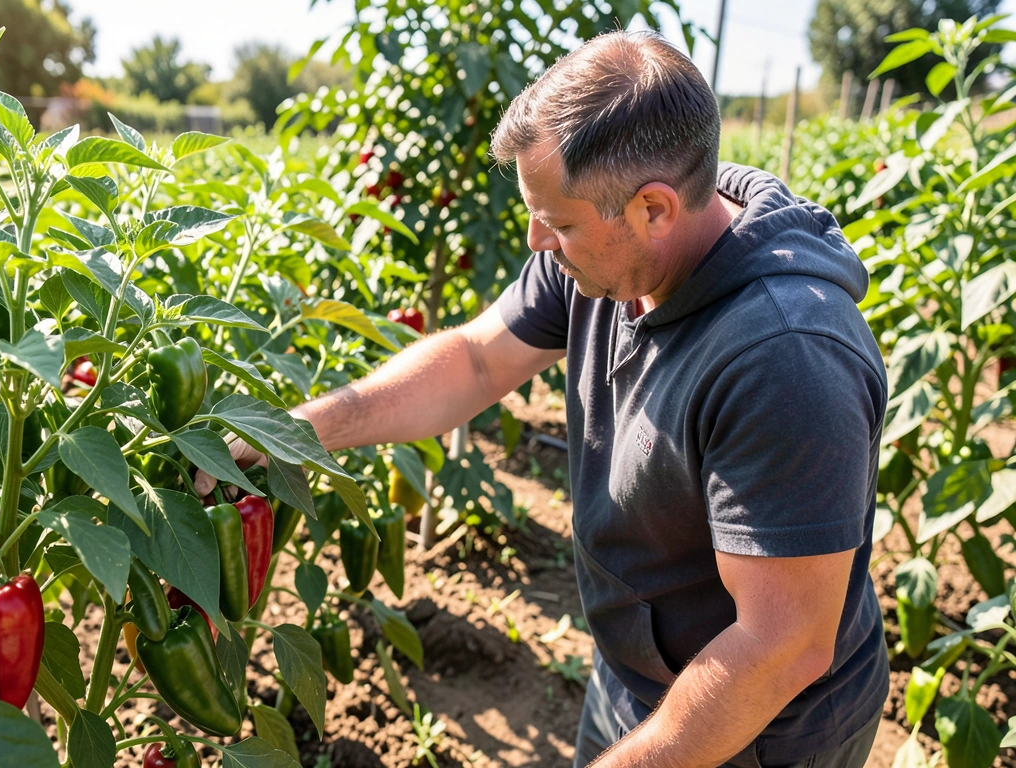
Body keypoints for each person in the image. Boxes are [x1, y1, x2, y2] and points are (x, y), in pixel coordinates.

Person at [197, 29, 888, 768]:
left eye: (556, 224)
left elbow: (781, 647)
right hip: (635, 674)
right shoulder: (609, 239)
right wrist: (291, 431)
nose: (536, 242)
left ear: (654, 209)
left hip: (759, 726)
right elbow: (472, 362)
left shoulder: (787, 356)